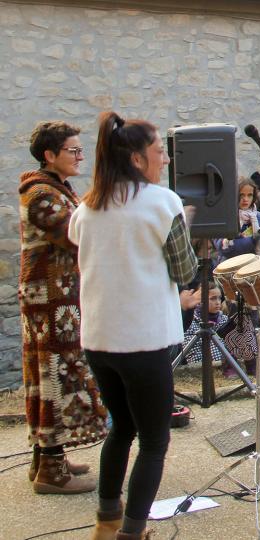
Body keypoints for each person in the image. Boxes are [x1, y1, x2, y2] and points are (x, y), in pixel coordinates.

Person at [69, 111, 198, 540]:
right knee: (154, 441)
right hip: (143, 340)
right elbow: (185, 271)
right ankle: (132, 532)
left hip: (100, 339)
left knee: (121, 428)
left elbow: (88, 244)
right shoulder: (163, 202)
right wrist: (187, 225)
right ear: (140, 159)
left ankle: (106, 521)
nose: (165, 158)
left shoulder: (88, 206)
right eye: (160, 151)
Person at [19, 120, 107, 495]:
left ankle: (46, 458)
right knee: (54, 376)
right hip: (51, 304)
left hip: (55, 301)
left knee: (47, 377)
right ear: (49, 155)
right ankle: (52, 471)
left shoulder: (55, 188)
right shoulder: (41, 194)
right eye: (73, 150)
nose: (80, 155)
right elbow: (77, 234)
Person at [216, 176, 260, 261]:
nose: (246, 199)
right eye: (242, 195)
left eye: (249, 195)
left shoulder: (259, 217)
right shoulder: (225, 217)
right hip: (231, 268)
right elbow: (223, 248)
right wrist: (252, 241)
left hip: (254, 267)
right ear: (234, 195)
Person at [181, 283, 229, 366]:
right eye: (213, 298)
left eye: (219, 298)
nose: (218, 302)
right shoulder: (191, 324)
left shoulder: (225, 320)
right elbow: (194, 359)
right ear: (200, 300)